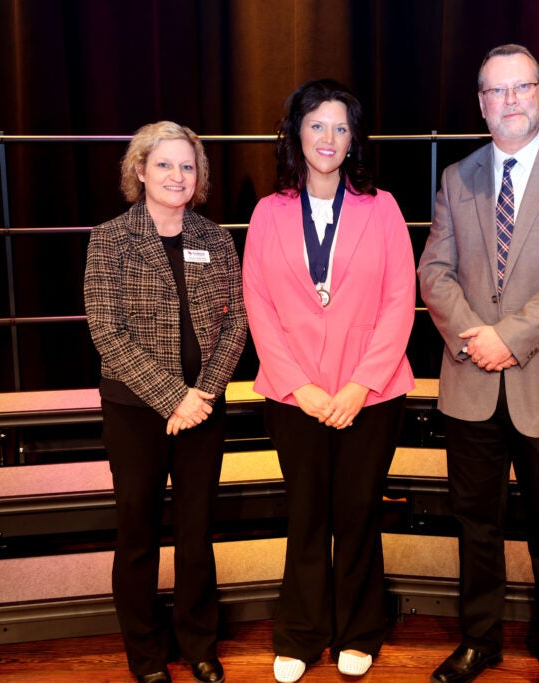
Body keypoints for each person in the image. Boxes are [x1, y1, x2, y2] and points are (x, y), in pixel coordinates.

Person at [418, 44, 539, 683]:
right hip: (471, 381)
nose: (510, 101)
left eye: (521, 88)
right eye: (496, 91)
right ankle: (480, 641)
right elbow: (435, 271)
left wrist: (509, 337)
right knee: (475, 526)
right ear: (480, 103)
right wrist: (478, 338)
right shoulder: (457, 177)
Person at [242, 79, 416, 683]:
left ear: (354, 140)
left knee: (359, 511)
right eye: (317, 125)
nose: (328, 138)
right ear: (295, 133)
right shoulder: (269, 212)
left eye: (341, 128)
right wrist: (302, 388)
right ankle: (301, 632)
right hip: (296, 398)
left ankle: (359, 630)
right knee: (307, 513)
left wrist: (357, 387)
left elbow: (401, 301)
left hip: (371, 395)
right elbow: (257, 305)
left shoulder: (383, 207)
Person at [84, 121, 247, 683]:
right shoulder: (109, 238)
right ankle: (146, 654)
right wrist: (173, 397)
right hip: (136, 411)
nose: (177, 176)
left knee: (198, 531)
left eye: (188, 166)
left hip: (204, 407)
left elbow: (238, 323)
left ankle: (199, 642)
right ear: (139, 170)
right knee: (138, 533)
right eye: (165, 165)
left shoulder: (216, 238)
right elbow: (107, 330)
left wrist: (203, 394)